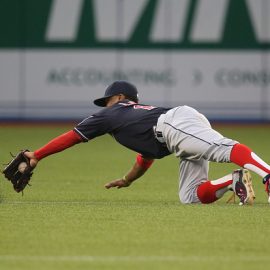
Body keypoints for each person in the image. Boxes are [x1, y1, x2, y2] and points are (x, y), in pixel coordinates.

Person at [25, 80, 270, 205]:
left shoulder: (113, 113)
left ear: (120, 97)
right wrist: (128, 180)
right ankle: (232, 181)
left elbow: (72, 136)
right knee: (191, 197)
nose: (104, 107)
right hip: (175, 130)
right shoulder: (132, 118)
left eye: (107, 100)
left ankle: (268, 176)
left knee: (223, 148)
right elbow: (145, 158)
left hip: (174, 125)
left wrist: (37, 154)